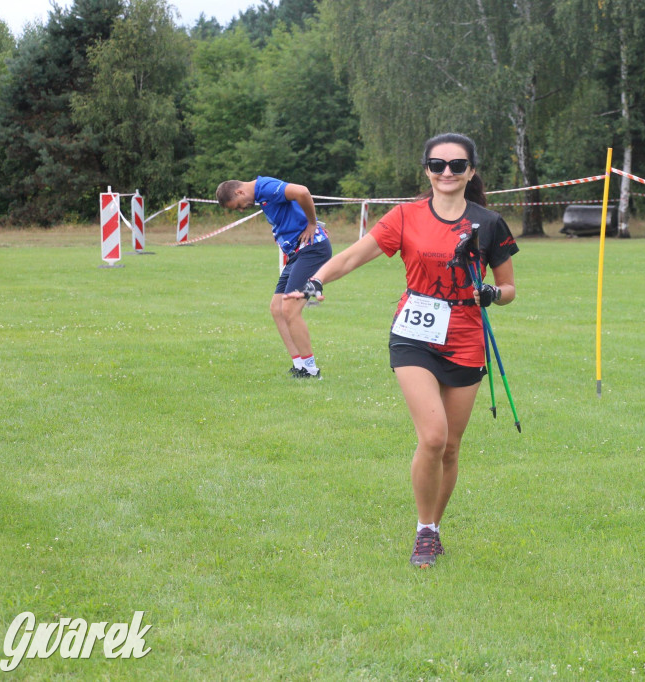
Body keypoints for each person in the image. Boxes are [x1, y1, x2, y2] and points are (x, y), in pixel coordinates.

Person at [288, 133, 518, 567]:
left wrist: (490, 293)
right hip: (414, 335)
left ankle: (435, 524)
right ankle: (424, 532)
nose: (446, 172)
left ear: (471, 171)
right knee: (433, 437)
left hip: (466, 339)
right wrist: (315, 280)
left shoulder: (488, 223)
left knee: (451, 448)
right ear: (426, 170)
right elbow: (355, 256)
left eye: (456, 165)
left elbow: (509, 289)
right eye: (437, 164)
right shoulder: (406, 216)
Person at [216, 177, 331, 379]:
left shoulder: (266, 188)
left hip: (311, 249)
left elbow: (302, 191)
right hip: (296, 253)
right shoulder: (262, 196)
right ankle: (299, 365)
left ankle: (312, 370)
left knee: (289, 308)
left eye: (238, 206)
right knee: (277, 308)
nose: (242, 210)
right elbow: (292, 210)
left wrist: (312, 224)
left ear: (239, 192)